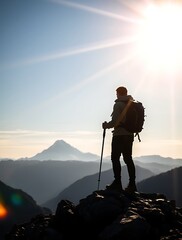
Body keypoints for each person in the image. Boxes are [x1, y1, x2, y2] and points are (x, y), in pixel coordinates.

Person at [102, 86, 137, 193]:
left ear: (118, 93)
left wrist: (106, 125)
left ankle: (117, 183)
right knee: (128, 159)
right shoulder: (132, 104)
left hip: (119, 135)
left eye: (116, 93)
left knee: (115, 158)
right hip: (130, 135)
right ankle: (132, 184)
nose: (116, 95)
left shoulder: (118, 104)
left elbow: (115, 122)